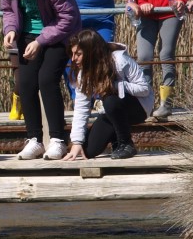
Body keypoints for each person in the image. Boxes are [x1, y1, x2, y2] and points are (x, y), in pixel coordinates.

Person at [0, 0, 81, 160]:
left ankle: (58, 139)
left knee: (47, 80)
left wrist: (41, 40)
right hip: (27, 35)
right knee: (26, 83)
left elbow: (68, 17)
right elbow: (8, 10)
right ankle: (33, 139)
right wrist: (10, 29)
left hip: (58, 36)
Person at [62, 30, 153, 161]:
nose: (73, 58)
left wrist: (115, 86)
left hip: (139, 106)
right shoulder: (83, 74)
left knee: (110, 100)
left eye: (78, 54)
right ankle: (115, 138)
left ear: (91, 53)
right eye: (72, 54)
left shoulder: (120, 60)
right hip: (111, 111)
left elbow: (144, 89)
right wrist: (77, 142)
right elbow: (81, 108)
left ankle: (125, 144)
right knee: (87, 151)